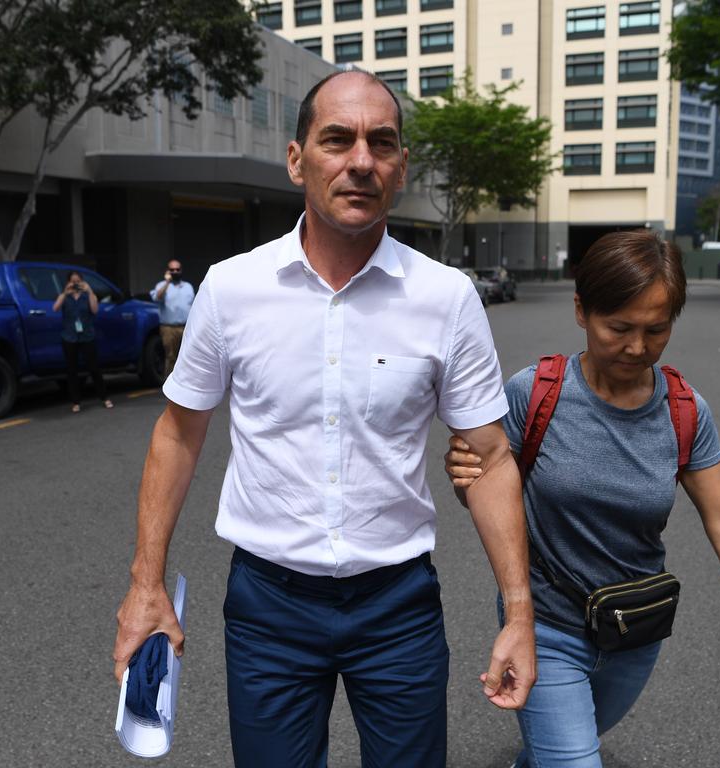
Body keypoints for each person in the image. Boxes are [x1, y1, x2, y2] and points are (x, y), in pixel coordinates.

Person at [112, 70, 536, 768]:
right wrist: (145, 585)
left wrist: (519, 616)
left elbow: (488, 457)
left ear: (401, 167)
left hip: (398, 607)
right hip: (268, 608)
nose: (360, 161)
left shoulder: (448, 298)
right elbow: (178, 432)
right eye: (337, 139)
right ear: (297, 158)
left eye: (382, 143)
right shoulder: (232, 288)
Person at [446, 230, 720, 768]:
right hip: (545, 622)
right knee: (574, 760)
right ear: (581, 310)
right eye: (618, 328)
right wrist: (464, 478)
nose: (637, 347)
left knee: (563, 749)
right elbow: (488, 486)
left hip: (634, 627)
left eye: (656, 329)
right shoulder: (535, 392)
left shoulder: (687, 412)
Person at [52, 270, 113, 413]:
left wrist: (89, 290)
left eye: (78, 281)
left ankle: (104, 397)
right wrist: (64, 292)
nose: (75, 284)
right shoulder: (65, 297)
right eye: (73, 281)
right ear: (68, 282)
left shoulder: (88, 296)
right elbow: (55, 308)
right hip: (69, 336)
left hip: (87, 336)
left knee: (94, 368)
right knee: (72, 370)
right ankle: (76, 402)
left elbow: (95, 309)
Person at [149, 259, 195, 379]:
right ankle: (170, 384)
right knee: (171, 356)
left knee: (188, 357)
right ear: (168, 271)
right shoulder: (161, 286)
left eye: (177, 269)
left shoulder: (188, 287)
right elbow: (157, 297)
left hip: (186, 327)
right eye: (172, 270)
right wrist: (167, 282)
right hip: (169, 328)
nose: (175, 271)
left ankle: (186, 383)